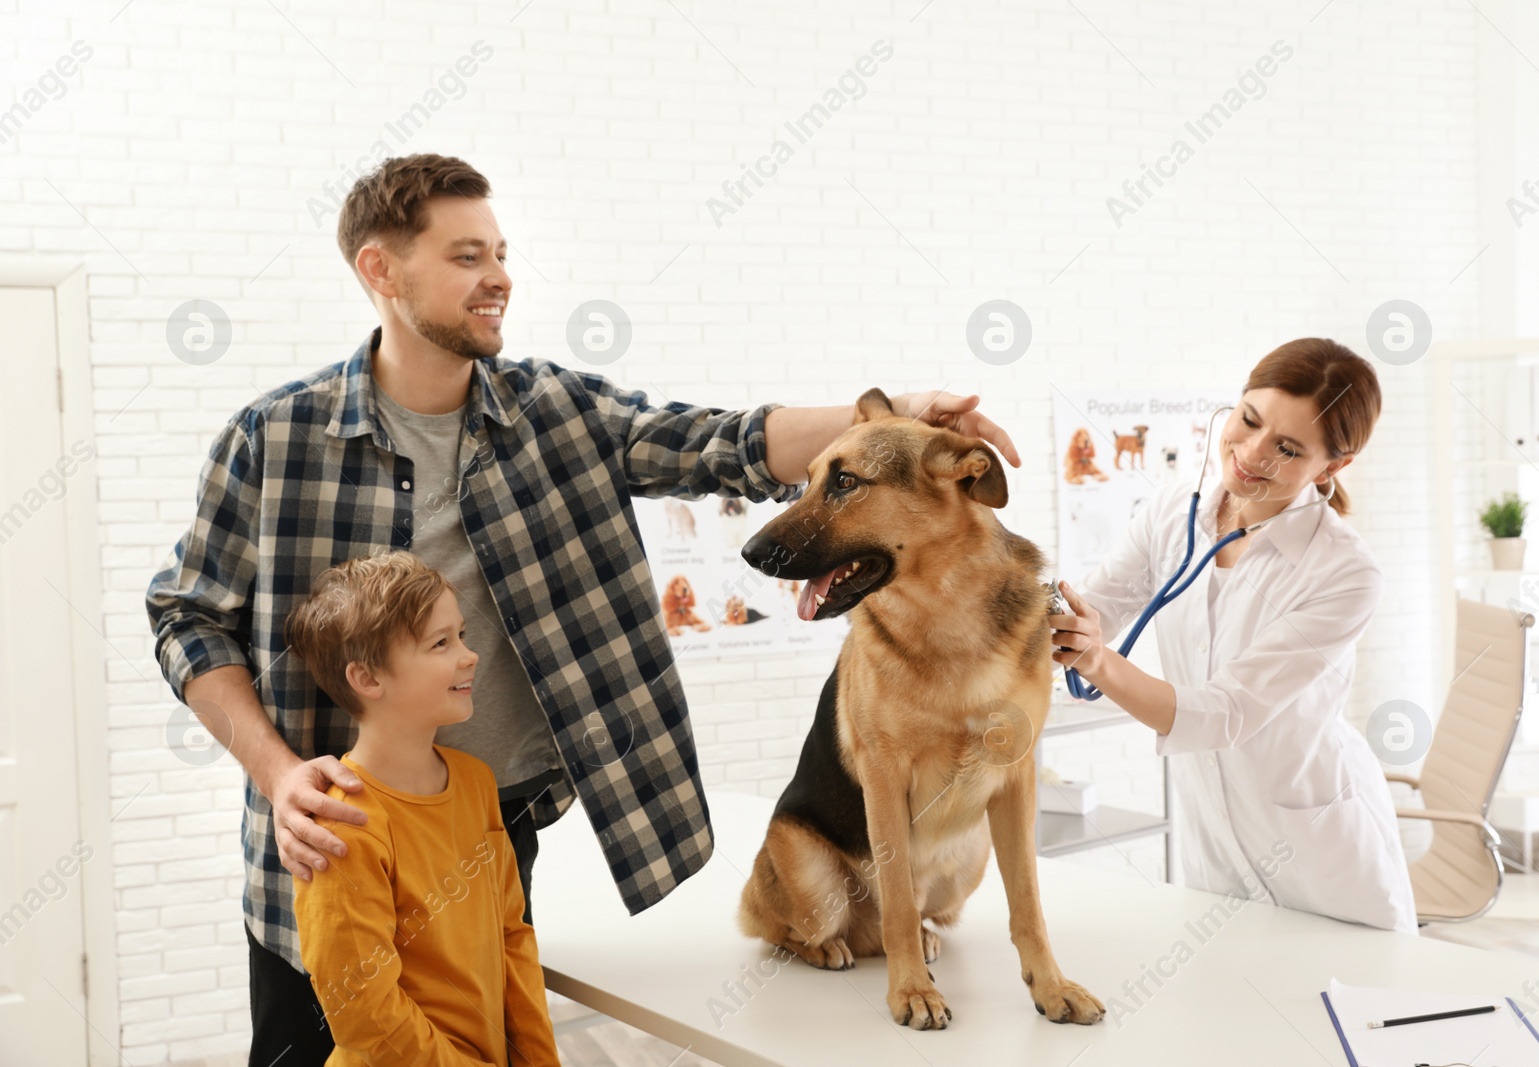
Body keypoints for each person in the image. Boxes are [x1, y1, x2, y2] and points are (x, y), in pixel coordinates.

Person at [144, 152, 1019, 1066]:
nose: (500, 279)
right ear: (380, 270)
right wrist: (280, 772)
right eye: (467, 256)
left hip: (493, 825)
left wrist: (897, 416)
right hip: (330, 842)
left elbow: (720, 441)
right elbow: (186, 616)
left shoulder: (558, 411)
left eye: (502, 253)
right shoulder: (276, 438)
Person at [1049, 338, 1417, 932]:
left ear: (1334, 466)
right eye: (1248, 420)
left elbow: (1223, 713)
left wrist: (1096, 660)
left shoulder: (1345, 572)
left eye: (1288, 448)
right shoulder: (1173, 512)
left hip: (1322, 861)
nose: (1250, 454)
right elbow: (1097, 608)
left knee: (1345, 1015)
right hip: (1211, 848)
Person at [286, 551, 561, 1066]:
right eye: (441, 643)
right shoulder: (343, 826)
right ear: (367, 679)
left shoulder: (478, 784)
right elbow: (364, 1013)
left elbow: (511, 935)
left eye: (461, 635)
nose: (469, 655)